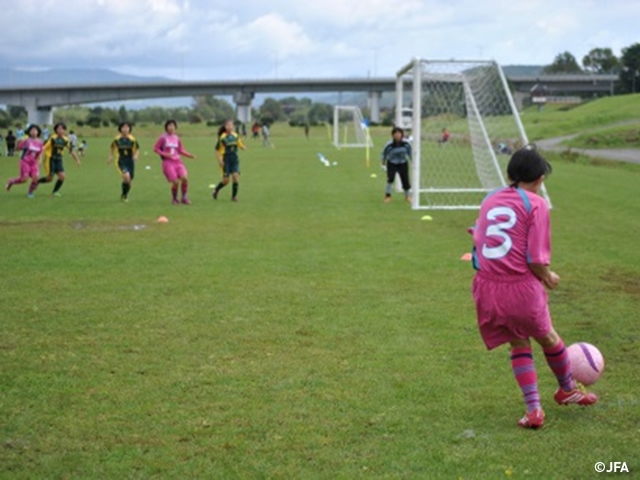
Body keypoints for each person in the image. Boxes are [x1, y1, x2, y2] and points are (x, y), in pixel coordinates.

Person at [470, 146, 597, 430]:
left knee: (518, 342)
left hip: (487, 287)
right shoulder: (536, 204)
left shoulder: (490, 199)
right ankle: (567, 389)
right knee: (549, 337)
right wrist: (549, 277)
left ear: (509, 174)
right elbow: (536, 260)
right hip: (519, 289)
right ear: (540, 179)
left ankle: (534, 410)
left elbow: (480, 235)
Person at [153, 119, 196, 205]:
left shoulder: (176, 138)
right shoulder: (163, 138)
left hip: (178, 162)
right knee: (175, 182)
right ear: (166, 127)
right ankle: (174, 199)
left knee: (185, 179)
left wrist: (189, 155)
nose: (171, 127)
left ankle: (184, 197)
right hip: (168, 163)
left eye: (173, 126)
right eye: (169, 125)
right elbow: (155, 148)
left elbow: (180, 150)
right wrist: (164, 154)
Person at [38, 122, 81, 196]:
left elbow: (71, 150)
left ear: (64, 130)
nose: (61, 130)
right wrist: (40, 158)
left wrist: (77, 160)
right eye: (59, 129)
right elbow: (43, 148)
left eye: (62, 129)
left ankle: (54, 192)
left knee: (62, 176)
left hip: (59, 159)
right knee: (49, 179)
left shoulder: (66, 139)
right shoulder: (53, 138)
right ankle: (36, 182)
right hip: (50, 159)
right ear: (56, 130)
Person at [5, 124, 44, 198]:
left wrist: (39, 160)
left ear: (38, 132)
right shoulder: (27, 141)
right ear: (29, 132)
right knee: (24, 179)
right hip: (25, 161)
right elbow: (17, 149)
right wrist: (18, 142)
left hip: (34, 163)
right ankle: (11, 181)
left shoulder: (40, 142)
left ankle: (30, 192)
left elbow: (40, 153)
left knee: (36, 178)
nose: (33, 132)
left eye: (35, 130)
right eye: (32, 130)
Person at [213, 119, 246, 202]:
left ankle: (234, 197)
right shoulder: (222, 137)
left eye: (231, 125)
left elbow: (239, 143)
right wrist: (220, 160)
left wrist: (242, 147)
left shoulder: (235, 135)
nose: (230, 127)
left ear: (233, 126)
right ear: (225, 127)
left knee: (235, 176)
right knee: (226, 181)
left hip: (234, 159)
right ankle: (216, 189)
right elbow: (217, 150)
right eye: (228, 125)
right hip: (226, 159)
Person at [107, 122, 139, 202]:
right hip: (121, 160)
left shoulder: (132, 139)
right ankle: (124, 196)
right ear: (120, 129)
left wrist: (135, 156)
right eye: (123, 127)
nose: (125, 129)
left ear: (129, 129)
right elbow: (112, 147)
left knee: (128, 181)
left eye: (127, 127)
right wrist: (110, 156)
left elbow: (137, 148)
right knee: (126, 176)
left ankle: (124, 195)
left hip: (130, 161)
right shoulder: (117, 139)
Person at [381, 126, 411, 203]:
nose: (397, 135)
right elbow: (384, 154)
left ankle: (407, 196)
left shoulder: (406, 143)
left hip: (403, 163)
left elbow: (410, 153)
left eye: (399, 133)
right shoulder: (389, 144)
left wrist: (413, 161)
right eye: (395, 133)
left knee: (405, 180)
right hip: (392, 163)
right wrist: (383, 164)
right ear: (393, 135)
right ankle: (387, 196)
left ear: (402, 134)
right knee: (390, 179)